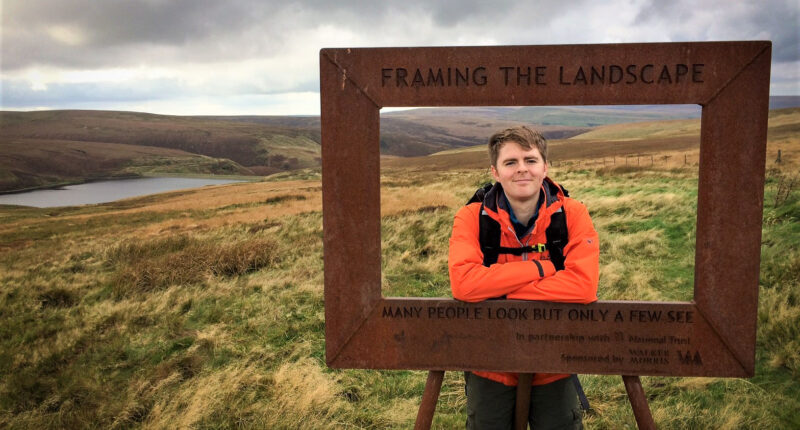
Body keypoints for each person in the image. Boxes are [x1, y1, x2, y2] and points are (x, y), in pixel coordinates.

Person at [448, 126, 599, 429]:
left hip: (553, 357)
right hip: (489, 358)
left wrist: (497, 290)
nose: (522, 170)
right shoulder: (471, 217)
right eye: (510, 162)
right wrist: (542, 269)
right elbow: (464, 284)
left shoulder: (573, 213)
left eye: (530, 160)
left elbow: (583, 286)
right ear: (495, 170)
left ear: (545, 167)